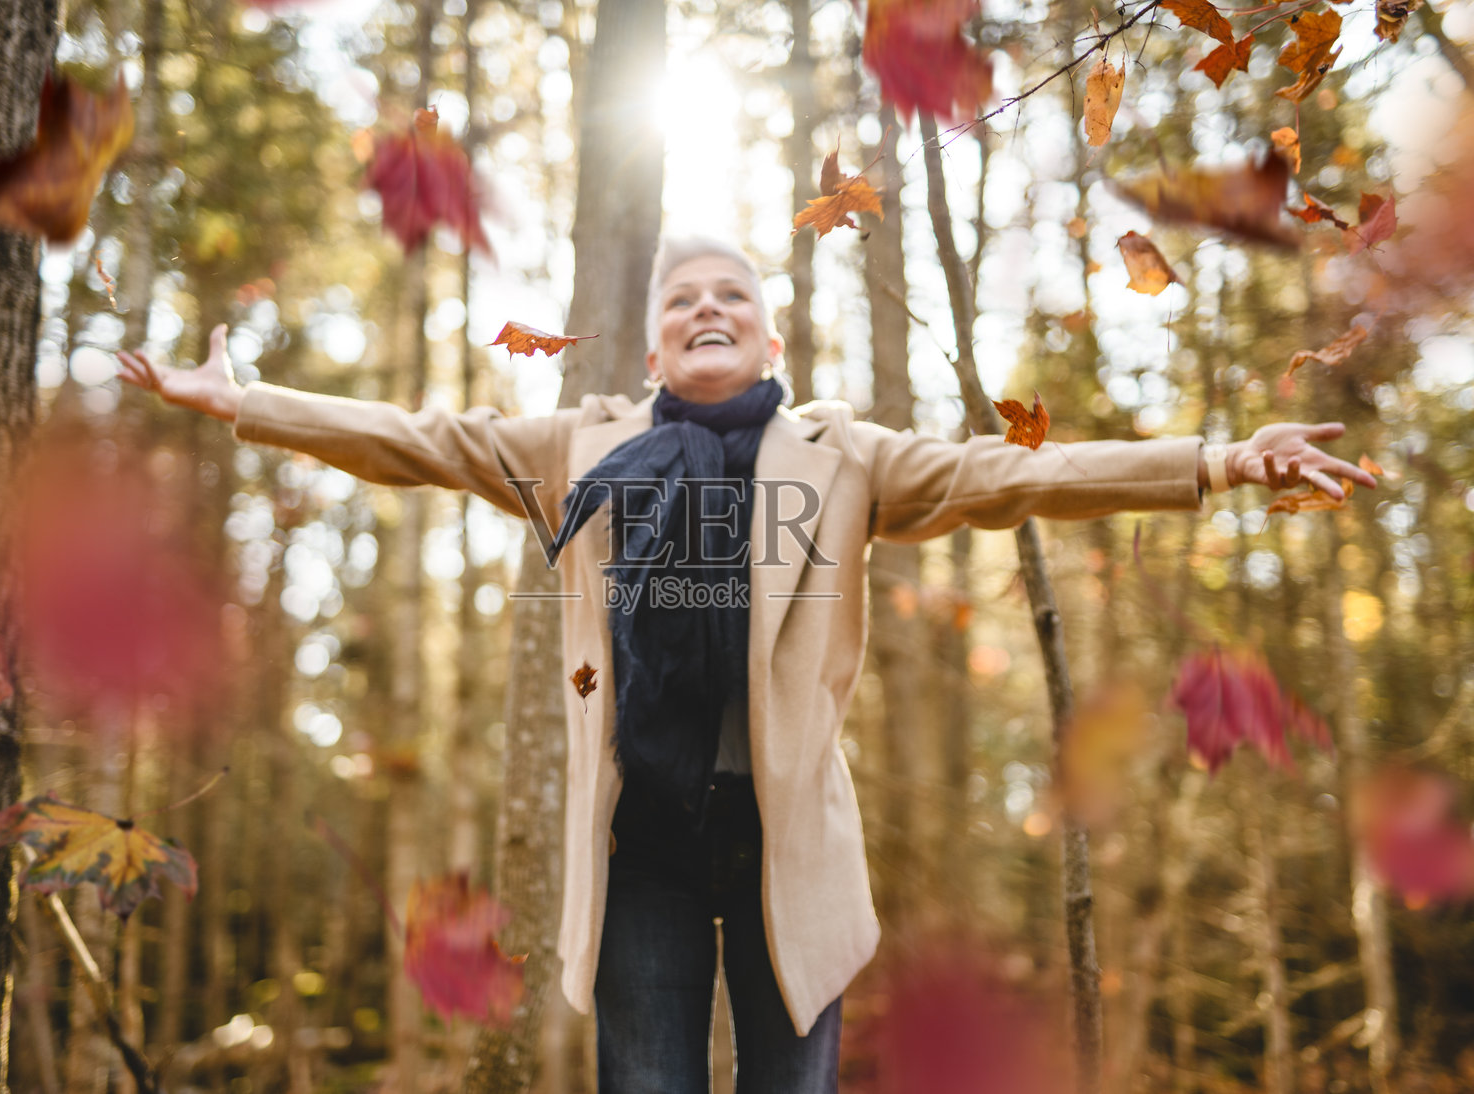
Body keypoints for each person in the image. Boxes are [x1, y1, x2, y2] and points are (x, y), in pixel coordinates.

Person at [120, 236, 1375, 1092]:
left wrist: (1216, 460)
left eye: (731, 295)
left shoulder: (844, 455)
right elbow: (423, 439)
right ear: (652, 349)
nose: (706, 307)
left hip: (790, 843)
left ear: (770, 337)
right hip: (643, 846)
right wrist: (246, 403)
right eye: (682, 299)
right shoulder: (581, 447)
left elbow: (1011, 474)